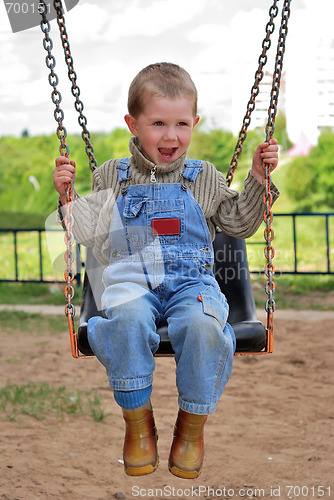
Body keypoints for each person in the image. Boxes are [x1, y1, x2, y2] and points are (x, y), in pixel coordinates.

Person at [53, 62, 279, 479]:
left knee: (204, 325)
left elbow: (240, 224)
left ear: (194, 122)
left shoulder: (203, 177)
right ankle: (138, 426)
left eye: (181, 123)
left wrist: (258, 180)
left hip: (191, 283)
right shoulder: (112, 176)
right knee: (125, 320)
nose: (171, 136)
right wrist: (68, 197)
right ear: (133, 124)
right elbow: (89, 232)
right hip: (131, 281)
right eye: (158, 123)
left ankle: (191, 429)